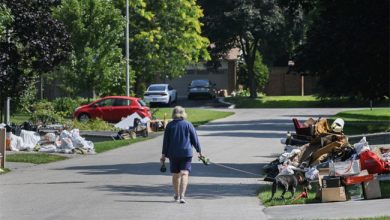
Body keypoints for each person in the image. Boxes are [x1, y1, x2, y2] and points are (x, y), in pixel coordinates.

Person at [161, 106, 202, 204]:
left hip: (173, 153)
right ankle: (182, 195)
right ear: (183, 113)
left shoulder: (170, 125)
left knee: (175, 174)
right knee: (184, 173)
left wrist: (163, 155)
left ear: (173, 114)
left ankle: (177, 194)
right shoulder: (188, 124)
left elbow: (166, 142)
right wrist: (199, 151)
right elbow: (194, 139)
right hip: (186, 153)